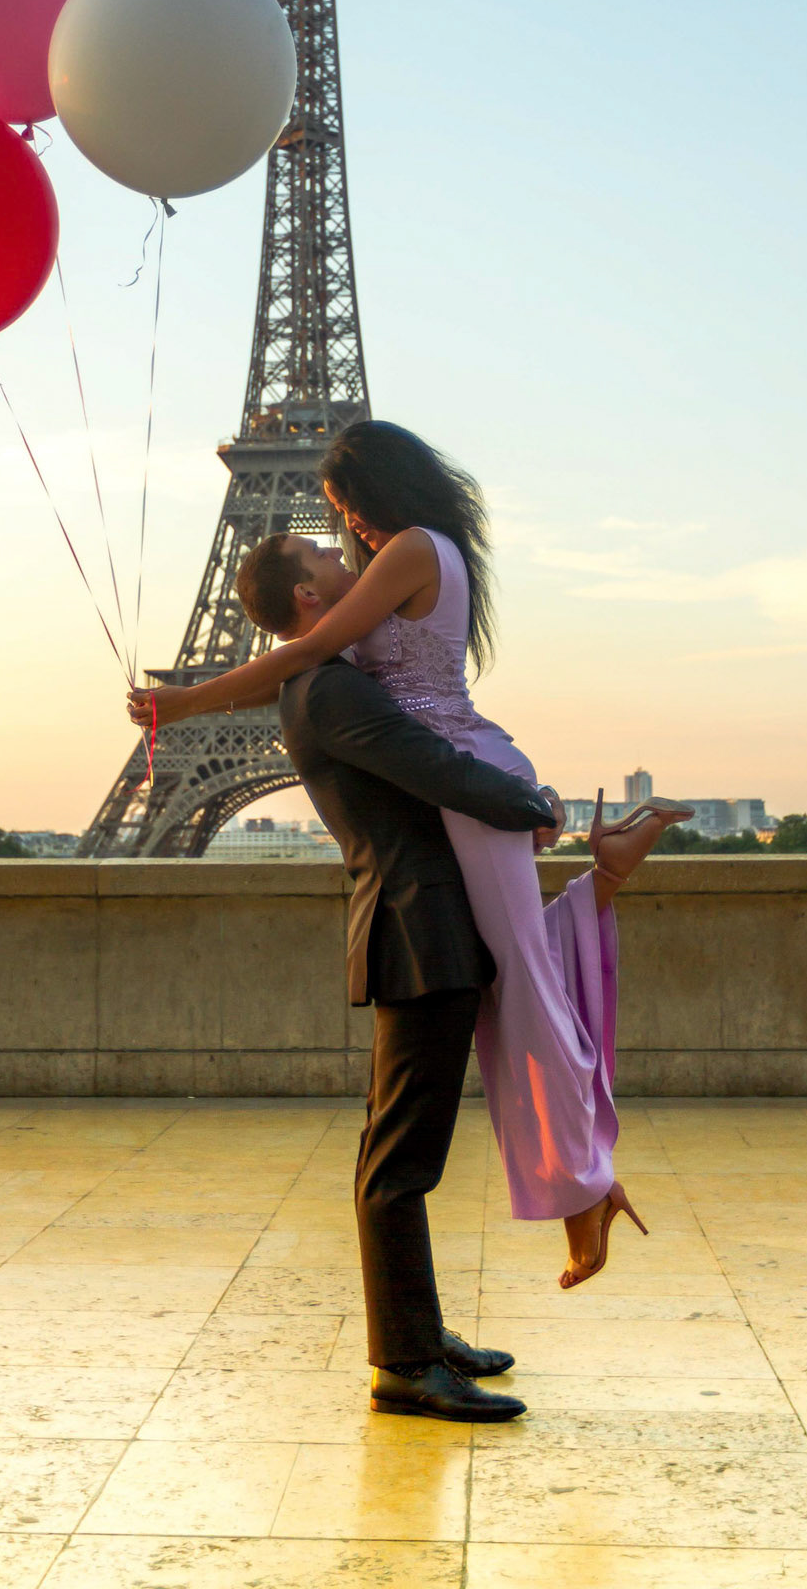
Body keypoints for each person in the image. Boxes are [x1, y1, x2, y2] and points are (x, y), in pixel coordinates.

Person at [130, 421, 692, 1285]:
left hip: (464, 773)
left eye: (344, 505)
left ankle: (584, 1187)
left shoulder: (409, 550)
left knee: (524, 986)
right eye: (326, 523)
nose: (340, 526)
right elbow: (315, 647)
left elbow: (311, 648)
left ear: (376, 489)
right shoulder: (405, 559)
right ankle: (604, 876)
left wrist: (186, 700)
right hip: (458, 778)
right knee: (519, 971)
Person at [236, 530, 559, 1422]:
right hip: (420, 929)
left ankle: (416, 1332)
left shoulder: (328, 681)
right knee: (400, 1161)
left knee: (398, 1153)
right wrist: (534, 803)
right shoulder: (330, 688)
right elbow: (436, 770)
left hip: (416, 924)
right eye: (326, 563)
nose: (347, 565)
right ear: (306, 599)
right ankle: (405, 1363)